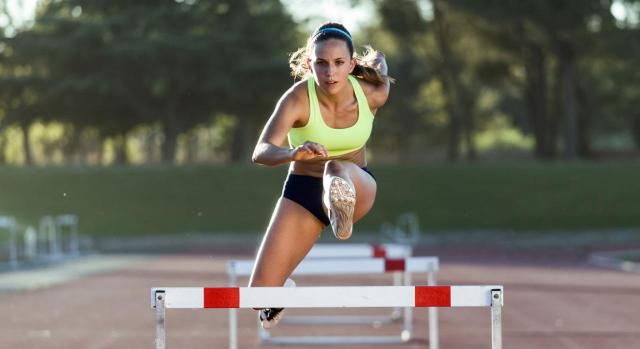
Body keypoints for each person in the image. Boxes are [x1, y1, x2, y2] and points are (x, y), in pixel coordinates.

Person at [248, 21, 392, 328]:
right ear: (309, 64)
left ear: (352, 64)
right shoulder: (297, 99)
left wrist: (380, 61)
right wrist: (292, 153)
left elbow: (383, 78)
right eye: (322, 64)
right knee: (257, 296)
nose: (330, 73)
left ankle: (341, 207)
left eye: (339, 63)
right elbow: (261, 151)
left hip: (356, 185)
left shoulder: (370, 95)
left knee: (335, 167)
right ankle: (279, 292)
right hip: (303, 192)